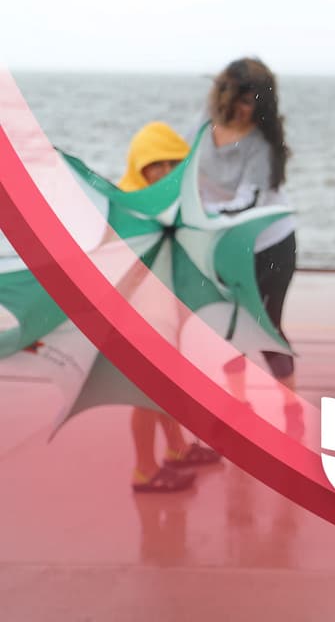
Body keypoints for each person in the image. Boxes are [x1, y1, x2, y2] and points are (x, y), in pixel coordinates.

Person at [193, 57, 300, 435]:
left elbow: (247, 203)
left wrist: (200, 213)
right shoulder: (203, 128)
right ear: (224, 95)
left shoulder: (263, 145)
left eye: (256, 101)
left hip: (270, 244)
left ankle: (292, 413)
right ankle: (239, 408)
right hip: (225, 244)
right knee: (229, 328)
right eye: (241, 99)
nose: (246, 109)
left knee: (267, 329)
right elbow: (187, 176)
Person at [119, 121, 222, 493]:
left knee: (166, 388)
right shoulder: (128, 207)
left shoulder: (173, 204)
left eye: (171, 164)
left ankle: (176, 449)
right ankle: (144, 470)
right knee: (147, 394)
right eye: (154, 164)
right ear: (139, 166)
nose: (163, 172)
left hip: (165, 311)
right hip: (140, 316)